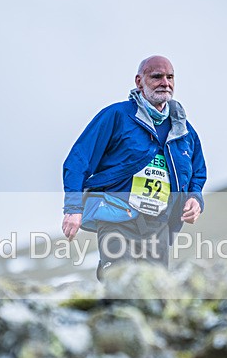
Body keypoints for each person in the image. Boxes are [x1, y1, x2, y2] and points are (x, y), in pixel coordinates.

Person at [62, 55, 207, 280]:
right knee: (119, 280)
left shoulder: (184, 130)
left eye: (170, 77)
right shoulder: (117, 116)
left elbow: (198, 171)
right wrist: (73, 208)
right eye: (157, 77)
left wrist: (195, 198)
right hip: (116, 217)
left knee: (154, 290)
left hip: (158, 227)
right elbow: (78, 160)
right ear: (139, 81)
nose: (165, 83)